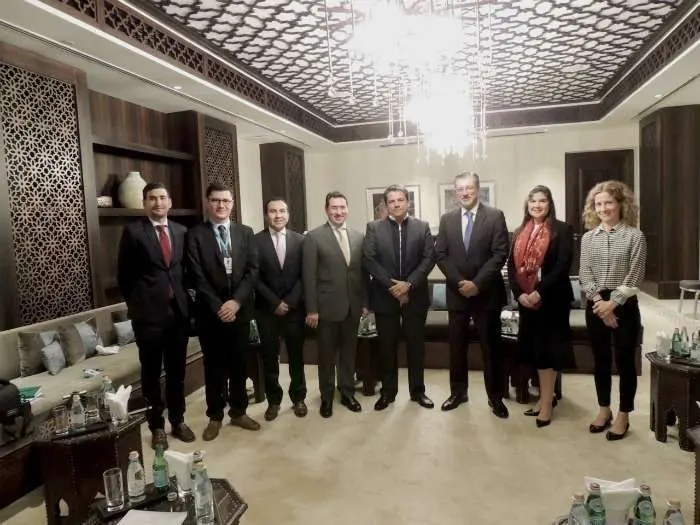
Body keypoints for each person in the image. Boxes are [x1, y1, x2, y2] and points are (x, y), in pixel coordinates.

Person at [117, 182, 195, 449]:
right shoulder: (133, 232)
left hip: (178, 315)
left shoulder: (181, 231)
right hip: (148, 317)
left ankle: (178, 420)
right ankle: (157, 426)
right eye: (152, 198)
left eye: (162, 198)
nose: (158, 203)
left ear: (170, 202)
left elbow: (183, 271)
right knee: (150, 374)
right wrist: (139, 305)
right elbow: (124, 277)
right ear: (145, 202)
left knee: (177, 373)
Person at [186, 183, 260, 441]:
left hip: (239, 311)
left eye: (225, 201)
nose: (221, 205)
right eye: (215, 200)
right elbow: (196, 275)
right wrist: (219, 305)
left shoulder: (245, 232)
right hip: (211, 314)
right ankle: (215, 416)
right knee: (214, 367)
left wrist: (236, 303)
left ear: (232, 203)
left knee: (240, 364)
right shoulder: (195, 235)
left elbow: (252, 271)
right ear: (208, 202)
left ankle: (239, 412)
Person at [435, 172, 510, 418]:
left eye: (468, 188)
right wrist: (460, 282)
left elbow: (500, 253)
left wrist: (477, 283)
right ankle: (458, 392)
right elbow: (441, 255)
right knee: (456, 347)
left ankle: (495, 397)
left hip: (486, 293)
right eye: (459, 189)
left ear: (477, 190)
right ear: (455, 192)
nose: (464, 193)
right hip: (457, 294)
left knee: (492, 349)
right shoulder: (447, 219)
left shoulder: (495, 216)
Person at [579, 180, 646, 441]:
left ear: (620, 204)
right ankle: (604, 409)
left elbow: (636, 275)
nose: (603, 208)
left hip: (625, 305)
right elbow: (585, 274)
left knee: (625, 362)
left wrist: (612, 304)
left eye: (608, 202)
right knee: (601, 361)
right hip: (596, 305)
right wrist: (601, 304)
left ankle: (624, 414)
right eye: (598, 204)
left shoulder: (634, 236)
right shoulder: (588, 238)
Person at [363, 184, 435, 410]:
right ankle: (388, 392)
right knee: (387, 347)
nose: (396, 204)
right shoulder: (374, 227)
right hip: (385, 297)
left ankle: (418, 391)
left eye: (400, 200)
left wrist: (409, 285)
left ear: (408, 202)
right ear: (386, 205)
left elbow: (428, 258)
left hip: (416, 296)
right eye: (391, 201)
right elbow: (369, 259)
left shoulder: (422, 227)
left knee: (416, 346)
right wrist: (393, 286)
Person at [507, 185, 574, 428]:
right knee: (535, 351)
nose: (537, 205)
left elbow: (563, 266)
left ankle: (546, 403)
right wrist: (519, 294)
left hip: (552, 301)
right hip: (527, 302)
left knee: (549, 352)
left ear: (550, 204)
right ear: (527, 204)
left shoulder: (562, 229)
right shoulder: (518, 232)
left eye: (542, 201)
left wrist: (538, 292)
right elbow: (512, 269)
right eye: (533, 201)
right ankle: (546, 397)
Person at [303, 191, 368, 418]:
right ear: (326, 210)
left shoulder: (359, 237)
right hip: (326, 309)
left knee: (349, 354)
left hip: (353, 307)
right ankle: (327, 397)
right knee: (327, 356)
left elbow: (362, 274)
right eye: (334, 208)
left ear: (347, 209)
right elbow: (308, 277)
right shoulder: (313, 237)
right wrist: (311, 309)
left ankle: (348, 392)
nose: (338, 212)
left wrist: (364, 303)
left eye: (342, 207)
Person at [254, 198, 308, 421]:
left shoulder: (301, 241)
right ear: (266, 214)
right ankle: (273, 401)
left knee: (296, 356)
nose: (278, 215)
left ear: (288, 214)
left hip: (295, 309)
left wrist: (291, 302)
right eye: (273, 211)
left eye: (282, 211)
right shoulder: (255, 240)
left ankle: (298, 398)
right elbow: (253, 277)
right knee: (269, 357)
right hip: (267, 310)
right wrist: (275, 302)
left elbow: (305, 275)